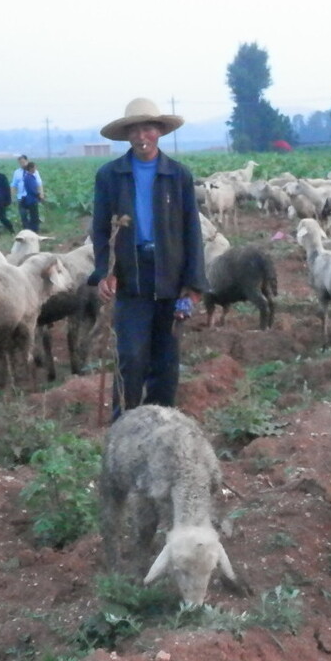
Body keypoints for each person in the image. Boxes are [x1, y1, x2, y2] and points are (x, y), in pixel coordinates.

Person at [88, 98, 208, 421]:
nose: (143, 136)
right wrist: (104, 273)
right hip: (130, 276)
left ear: (159, 132)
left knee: (166, 361)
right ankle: (124, 426)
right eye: (136, 130)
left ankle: (161, 425)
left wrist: (193, 284)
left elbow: (191, 232)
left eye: (149, 128)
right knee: (131, 356)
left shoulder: (178, 175)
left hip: (170, 274)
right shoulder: (110, 176)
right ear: (128, 135)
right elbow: (100, 230)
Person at [20, 160, 45, 233]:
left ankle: (34, 229)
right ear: (31, 168)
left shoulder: (29, 176)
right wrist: (38, 195)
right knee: (34, 216)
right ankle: (34, 230)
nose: (35, 169)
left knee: (34, 215)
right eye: (34, 167)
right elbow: (32, 189)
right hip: (31, 199)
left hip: (32, 199)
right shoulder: (28, 177)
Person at [11, 154, 31, 229]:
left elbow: (38, 183)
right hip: (21, 197)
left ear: (27, 161)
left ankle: (33, 230)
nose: (22, 164)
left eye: (23, 162)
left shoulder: (33, 171)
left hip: (31, 196)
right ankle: (26, 230)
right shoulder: (17, 172)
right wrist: (12, 196)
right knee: (23, 215)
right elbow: (14, 185)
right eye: (20, 162)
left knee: (32, 215)